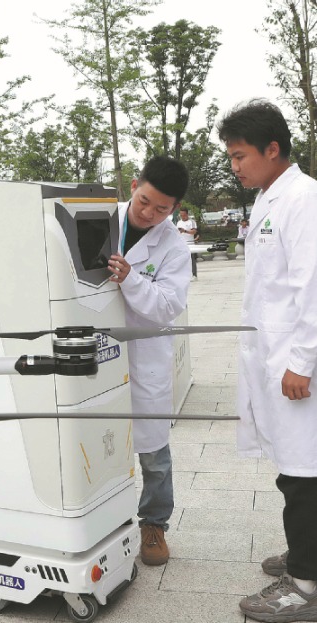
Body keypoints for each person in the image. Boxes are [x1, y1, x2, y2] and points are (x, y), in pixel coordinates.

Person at [216, 100, 317, 622]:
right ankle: (307, 552)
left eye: (240, 156)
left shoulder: (303, 199)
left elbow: (313, 287)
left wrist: (302, 361)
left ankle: (304, 582)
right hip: (275, 357)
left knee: (304, 474)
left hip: (297, 364)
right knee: (293, 468)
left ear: (272, 149)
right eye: (231, 157)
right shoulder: (268, 199)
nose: (235, 166)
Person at [107, 156, 191, 567]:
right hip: (100, 350)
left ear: (175, 208)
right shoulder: (101, 218)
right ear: (134, 186)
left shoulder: (174, 246)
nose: (149, 214)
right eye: (144, 202)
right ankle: (107, 520)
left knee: (154, 454)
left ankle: (154, 523)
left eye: (162, 209)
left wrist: (131, 278)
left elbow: (168, 306)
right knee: (100, 442)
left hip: (145, 357)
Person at [175, 208, 199, 279]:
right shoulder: (179, 223)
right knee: (182, 260)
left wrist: (185, 231)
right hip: (181, 244)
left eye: (184, 215)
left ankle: (194, 275)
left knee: (192, 260)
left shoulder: (191, 222)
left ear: (187, 214)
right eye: (181, 215)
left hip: (190, 244)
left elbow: (194, 231)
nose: (182, 217)